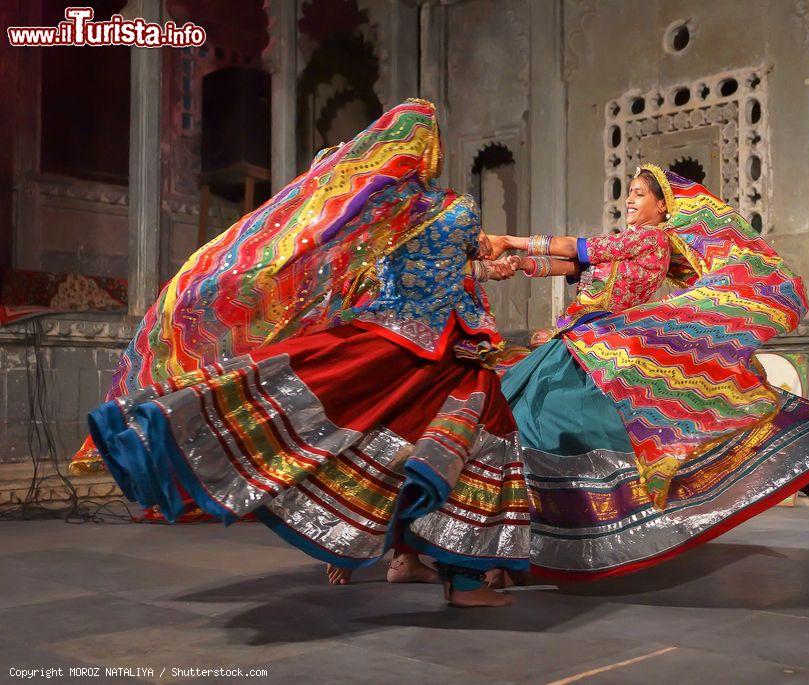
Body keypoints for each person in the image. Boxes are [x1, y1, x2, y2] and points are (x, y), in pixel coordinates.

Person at [87, 100, 528, 607]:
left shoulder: (376, 209)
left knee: (384, 437)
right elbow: (461, 258)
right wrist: (501, 257)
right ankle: (464, 580)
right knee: (474, 437)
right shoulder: (457, 208)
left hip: (386, 339)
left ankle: (406, 559)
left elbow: (407, 261)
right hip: (441, 351)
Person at [493, 164, 809, 580]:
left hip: (603, 348)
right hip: (577, 340)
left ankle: (528, 538)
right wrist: (513, 263)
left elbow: (576, 247)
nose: (630, 200)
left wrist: (511, 240)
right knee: (521, 413)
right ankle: (512, 538)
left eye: (639, 193)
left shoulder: (652, 239)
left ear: (662, 206)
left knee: (548, 423)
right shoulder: (625, 244)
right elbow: (570, 266)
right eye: (630, 193)